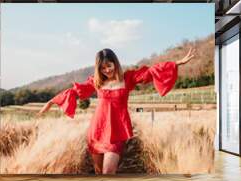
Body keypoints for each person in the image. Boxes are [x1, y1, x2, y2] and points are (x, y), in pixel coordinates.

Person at [37, 48, 195, 174]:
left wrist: (178, 63)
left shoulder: (128, 78)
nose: (106, 70)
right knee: (99, 172)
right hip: (97, 131)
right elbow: (74, 92)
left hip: (117, 132)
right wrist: (51, 102)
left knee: (108, 172)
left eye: (109, 65)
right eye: (103, 67)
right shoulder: (96, 82)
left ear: (115, 63)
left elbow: (152, 71)